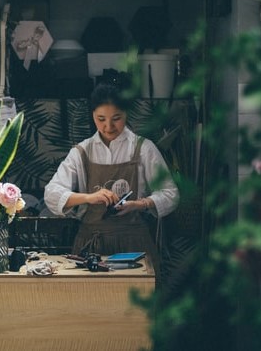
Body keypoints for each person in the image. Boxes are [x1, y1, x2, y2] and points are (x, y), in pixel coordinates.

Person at [44, 83, 179, 282]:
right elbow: (51, 193)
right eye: (101, 119)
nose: (109, 127)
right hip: (90, 245)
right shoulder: (82, 152)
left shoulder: (143, 148)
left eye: (116, 119)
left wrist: (139, 204)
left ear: (126, 114)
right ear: (93, 117)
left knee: (135, 310)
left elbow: (170, 193)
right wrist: (89, 197)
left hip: (135, 244)